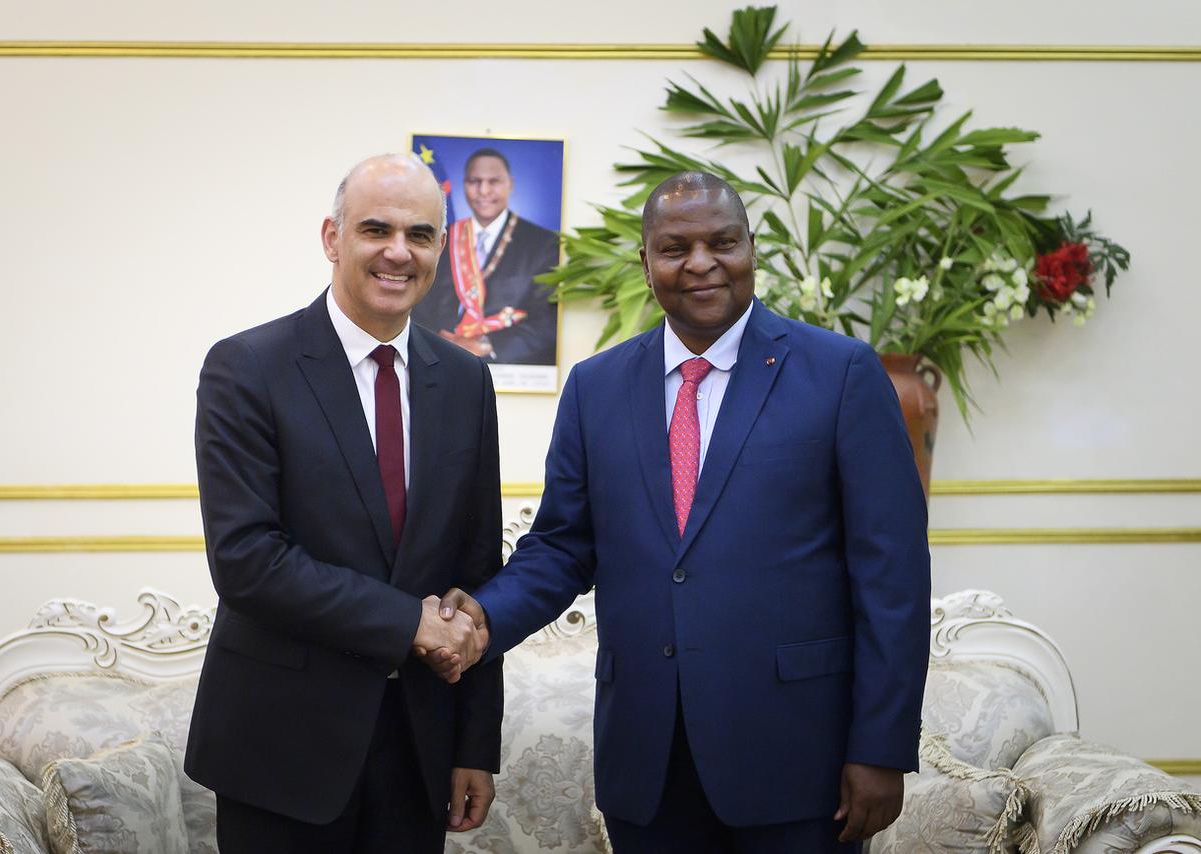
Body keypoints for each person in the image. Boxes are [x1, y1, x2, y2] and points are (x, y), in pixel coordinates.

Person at [433, 172, 930, 853]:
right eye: (675, 247)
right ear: (646, 262)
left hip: (800, 763)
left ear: (753, 248)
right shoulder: (596, 388)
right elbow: (560, 548)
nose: (701, 263)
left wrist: (882, 746)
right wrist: (485, 618)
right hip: (649, 763)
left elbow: (892, 574)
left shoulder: (840, 373)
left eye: (722, 242)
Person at [184, 153, 503, 854]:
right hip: (280, 750)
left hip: (418, 748)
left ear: (439, 249)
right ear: (333, 238)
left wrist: (475, 743)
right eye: (375, 229)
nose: (398, 252)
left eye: (419, 235)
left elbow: (477, 569)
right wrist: (408, 625)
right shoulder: (246, 368)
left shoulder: (467, 380)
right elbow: (247, 562)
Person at [411, 147, 560, 366]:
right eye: (474, 181)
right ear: (464, 185)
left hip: (509, 365)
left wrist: (489, 345)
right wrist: (441, 344)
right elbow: (417, 306)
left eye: (494, 181)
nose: (484, 191)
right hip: (438, 362)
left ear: (510, 184)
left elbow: (548, 320)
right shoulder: (439, 239)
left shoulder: (543, 242)